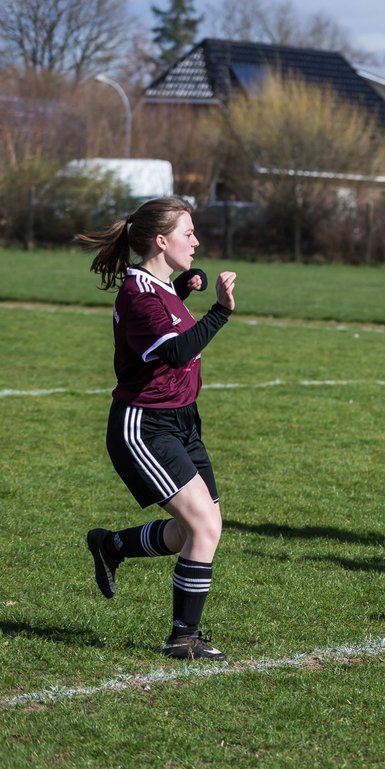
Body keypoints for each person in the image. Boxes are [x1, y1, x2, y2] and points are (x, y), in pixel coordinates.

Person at [76, 196, 238, 660]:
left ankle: (111, 545)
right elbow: (172, 351)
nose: (197, 241)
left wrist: (183, 290)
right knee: (203, 526)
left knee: (197, 529)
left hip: (181, 421)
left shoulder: (156, 287)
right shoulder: (140, 293)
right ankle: (183, 637)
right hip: (144, 426)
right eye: (188, 233)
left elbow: (163, 324)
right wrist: (220, 311)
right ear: (162, 241)